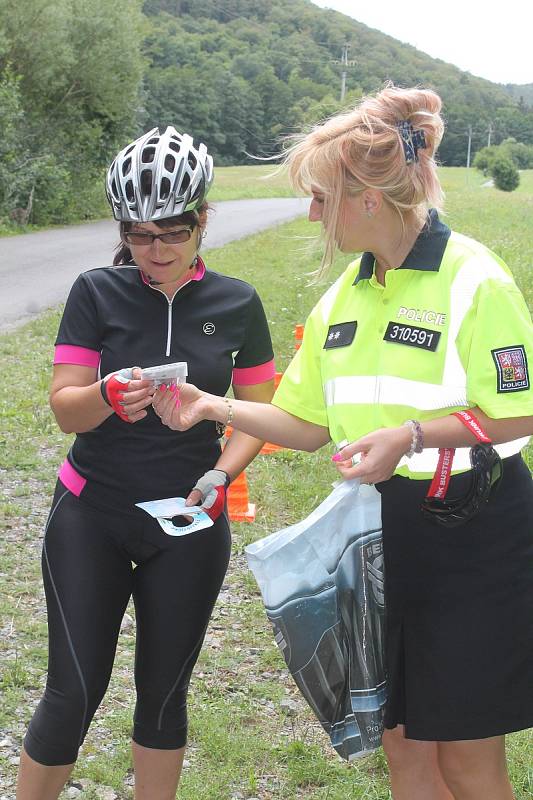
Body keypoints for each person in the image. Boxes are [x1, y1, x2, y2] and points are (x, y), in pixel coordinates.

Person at [152, 87, 533, 800]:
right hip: (378, 534)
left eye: (321, 198)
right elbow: (303, 424)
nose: (311, 214)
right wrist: (210, 405)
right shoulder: (343, 299)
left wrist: (411, 435)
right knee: (401, 747)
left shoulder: (473, 279)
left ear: (365, 197)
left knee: (465, 755)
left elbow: (518, 413)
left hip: (472, 532)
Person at [16, 126, 276, 800]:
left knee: (163, 697)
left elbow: (256, 413)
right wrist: (104, 395)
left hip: (187, 517)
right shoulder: (95, 291)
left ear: (202, 220)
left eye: (172, 232)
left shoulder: (238, 303)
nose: (155, 251)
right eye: (138, 234)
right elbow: (64, 409)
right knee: (72, 692)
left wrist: (221, 473)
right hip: (91, 512)